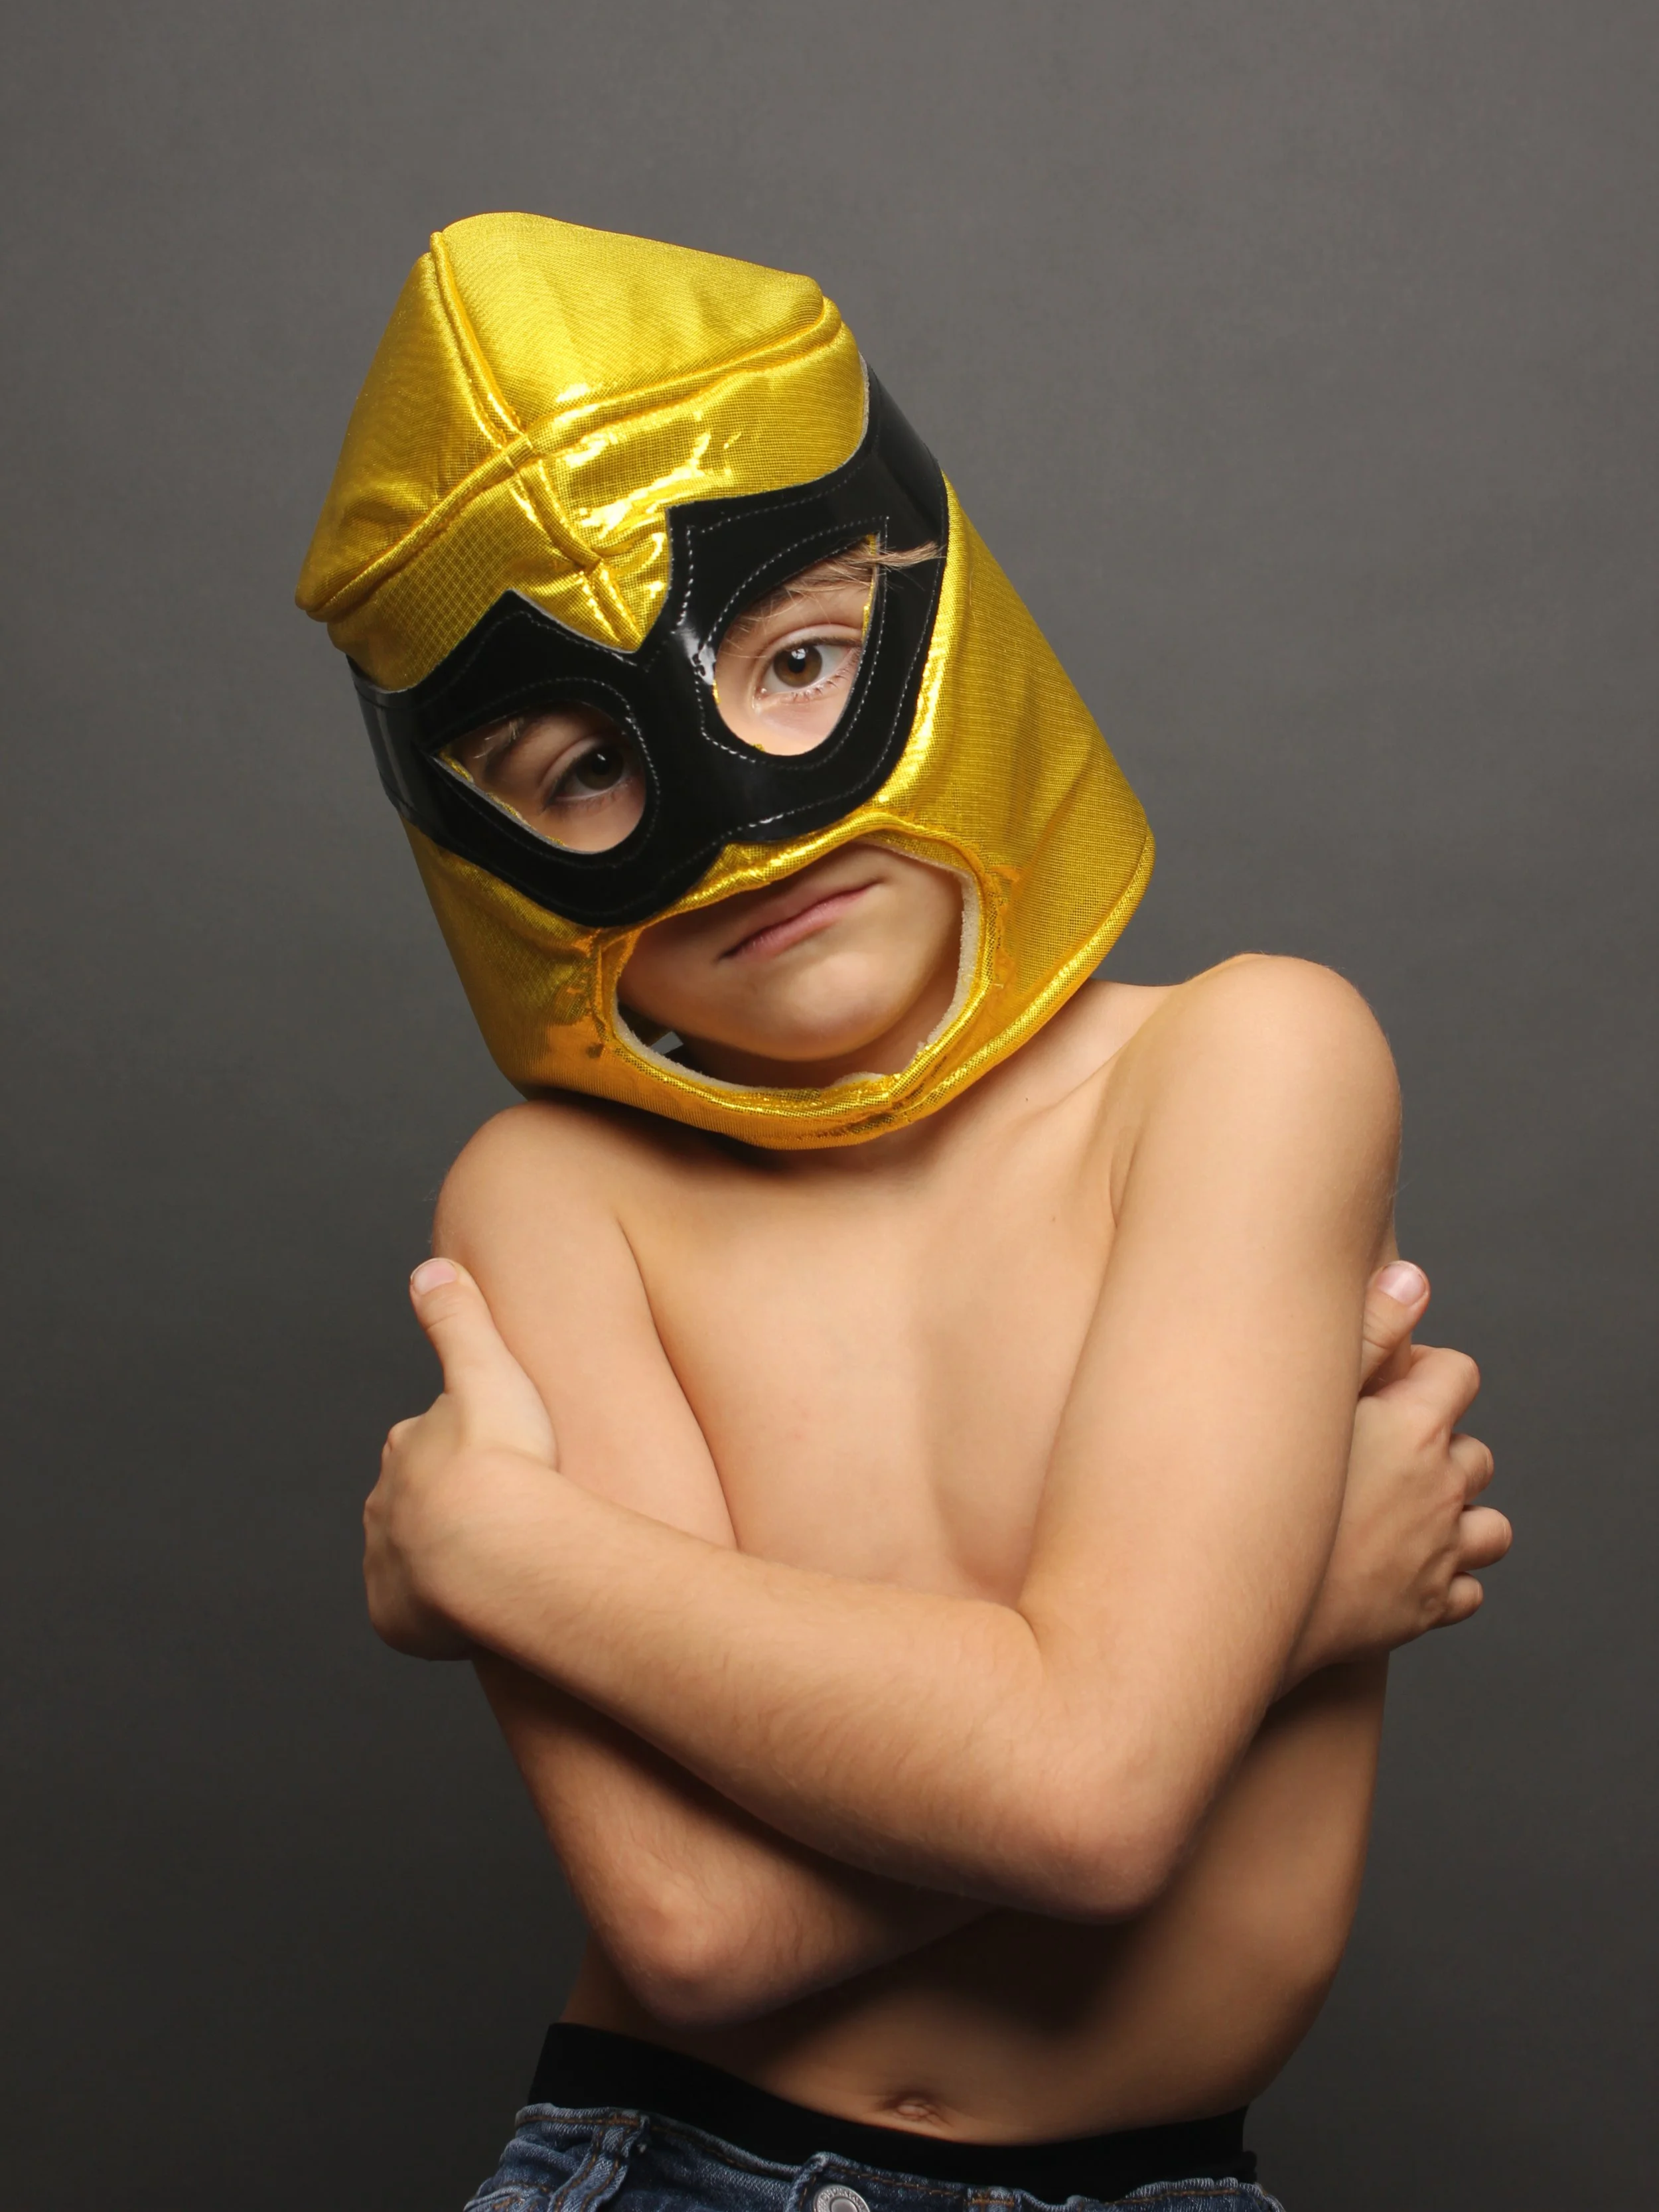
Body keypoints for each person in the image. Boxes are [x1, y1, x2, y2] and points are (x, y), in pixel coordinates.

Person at [298, 213, 1510, 2212]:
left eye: (798, 662)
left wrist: (497, 1543)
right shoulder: (552, 1197)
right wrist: (1276, 1629)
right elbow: (697, 1926)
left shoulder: (1245, 1062)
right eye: (584, 767)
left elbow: (1096, 1791)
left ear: (935, 624)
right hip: (667, 2166)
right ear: (476, 835)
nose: (743, 829)